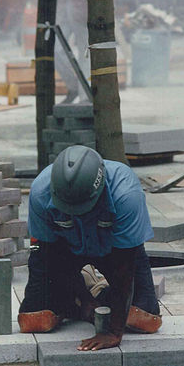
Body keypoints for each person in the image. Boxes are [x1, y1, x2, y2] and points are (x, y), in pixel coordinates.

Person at [18, 145, 162, 351]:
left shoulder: (126, 195)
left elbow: (124, 267)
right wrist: (84, 301)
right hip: (64, 249)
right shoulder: (41, 192)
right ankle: (76, 297)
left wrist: (113, 332)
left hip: (114, 252)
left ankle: (100, 291)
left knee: (145, 321)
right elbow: (50, 255)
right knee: (34, 321)